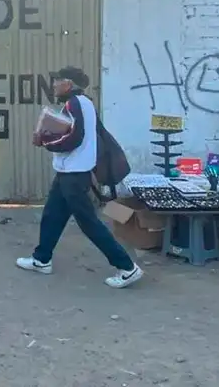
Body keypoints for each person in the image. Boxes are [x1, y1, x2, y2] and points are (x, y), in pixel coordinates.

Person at [15, 67, 144, 289]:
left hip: (74, 174)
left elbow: (74, 138)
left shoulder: (75, 103)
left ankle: (127, 267)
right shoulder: (81, 103)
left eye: (57, 80)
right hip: (69, 172)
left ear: (70, 84)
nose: (54, 84)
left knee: (89, 223)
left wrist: (45, 142)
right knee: (52, 215)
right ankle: (41, 259)